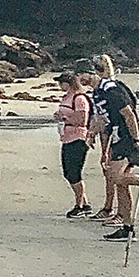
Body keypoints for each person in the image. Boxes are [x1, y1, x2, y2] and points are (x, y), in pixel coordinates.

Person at [96, 68, 139, 240]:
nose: (80, 79)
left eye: (82, 75)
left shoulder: (112, 90)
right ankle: (127, 227)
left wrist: (136, 140)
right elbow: (104, 121)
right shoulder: (99, 93)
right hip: (117, 139)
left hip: (127, 138)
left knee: (116, 177)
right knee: (120, 183)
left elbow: (129, 114)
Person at [53, 70, 92, 218]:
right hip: (67, 137)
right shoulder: (66, 98)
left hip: (78, 138)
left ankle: (79, 204)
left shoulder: (79, 98)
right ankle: (84, 202)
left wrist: (64, 119)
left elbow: (82, 119)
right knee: (68, 172)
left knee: (74, 172)